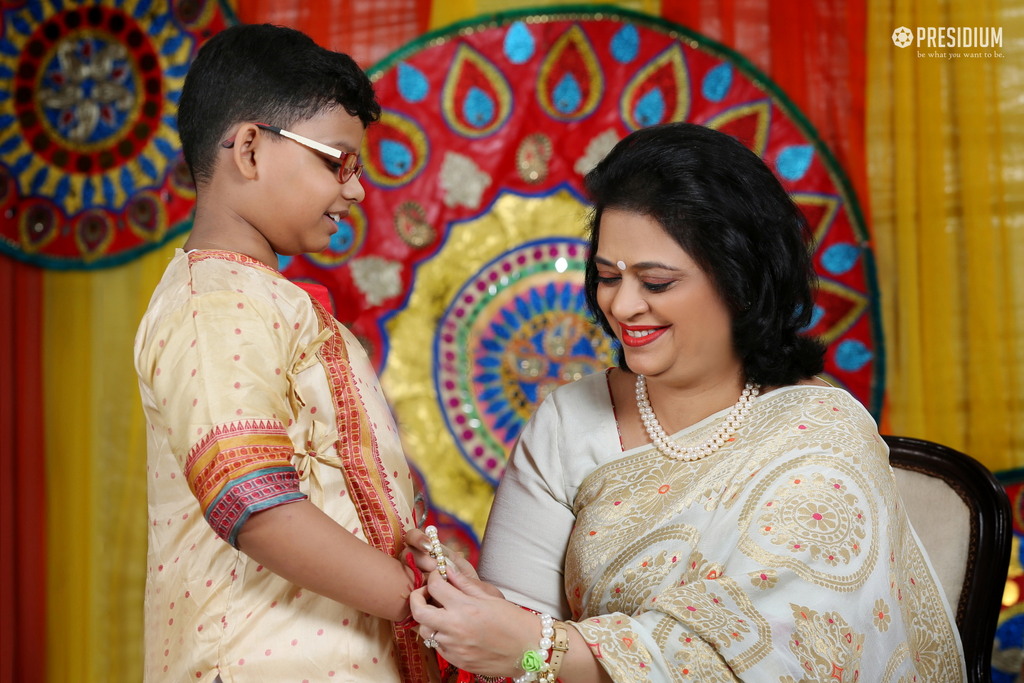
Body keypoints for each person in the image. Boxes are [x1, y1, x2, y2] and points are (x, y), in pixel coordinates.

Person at [406, 122, 966, 682]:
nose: (622, 305)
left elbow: (802, 658)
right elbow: (512, 657)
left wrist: (543, 650)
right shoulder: (570, 420)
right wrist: (476, 612)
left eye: (656, 283)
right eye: (607, 276)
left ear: (739, 281)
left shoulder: (821, 437)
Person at [134, 24, 436, 682]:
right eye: (337, 162)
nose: (355, 191)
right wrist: (419, 603)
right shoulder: (212, 303)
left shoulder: (263, 298)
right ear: (248, 148)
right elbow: (254, 503)